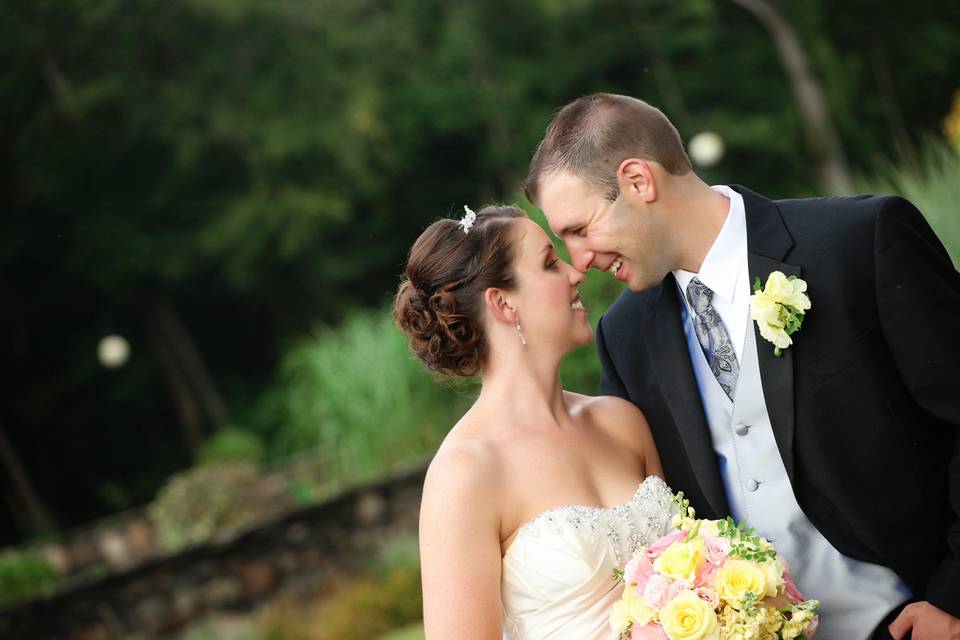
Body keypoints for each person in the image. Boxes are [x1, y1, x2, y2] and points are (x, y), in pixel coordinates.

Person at [523, 92, 960, 640]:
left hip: (918, 615)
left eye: (579, 229)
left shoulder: (861, 241)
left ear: (639, 181)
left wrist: (951, 596)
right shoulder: (625, 336)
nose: (579, 261)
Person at [394, 205, 675, 639]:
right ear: (503, 303)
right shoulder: (466, 473)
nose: (576, 272)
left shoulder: (622, 422)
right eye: (549, 263)